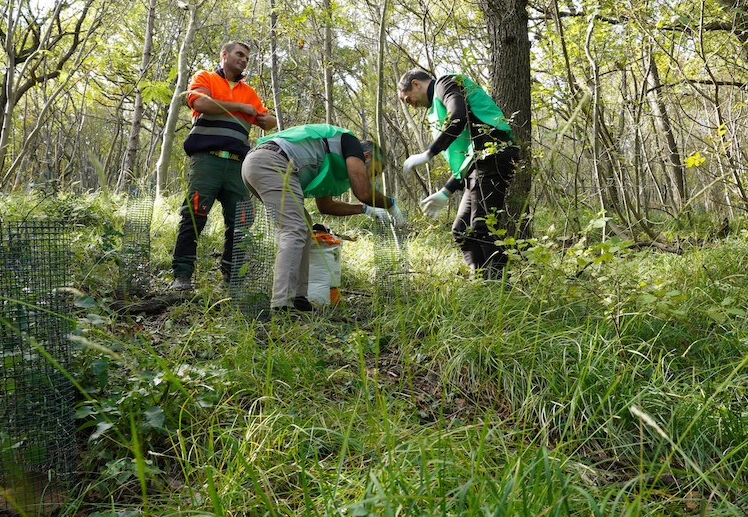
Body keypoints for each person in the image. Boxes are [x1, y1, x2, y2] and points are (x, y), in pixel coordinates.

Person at [241, 123, 406, 317]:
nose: (371, 177)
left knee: (303, 225)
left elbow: (325, 206)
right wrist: (391, 205)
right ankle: (282, 305)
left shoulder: (332, 160)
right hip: (272, 161)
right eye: (374, 172)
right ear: (366, 156)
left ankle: (299, 299)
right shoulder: (350, 143)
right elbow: (363, 191)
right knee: (293, 229)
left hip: (259, 163)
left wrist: (365, 209)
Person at [171, 41, 276, 290]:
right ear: (225, 54)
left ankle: (232, 279)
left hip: (238, 166)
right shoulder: (205, 78)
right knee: (194, 214)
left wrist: (261, 116)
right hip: (207, 160)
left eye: (247, 58)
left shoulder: (249, 92)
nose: (243, 60)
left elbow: (269, 122)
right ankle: (182, 276)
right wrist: (240, 108)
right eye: (240, 55)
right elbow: (199, 103)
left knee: (242, 220)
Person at [398, 68, 519, 279]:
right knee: (461, 230)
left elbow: (458, 117)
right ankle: (480, 282)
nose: (412, 105)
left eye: (408, 99)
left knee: (483, 227)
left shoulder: (445, 84)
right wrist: (446, 192)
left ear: (416, 84)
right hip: (480, 162)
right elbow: (468, 156)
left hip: (495, 154)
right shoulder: (436, 109)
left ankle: (501, 288)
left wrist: (429, 153)